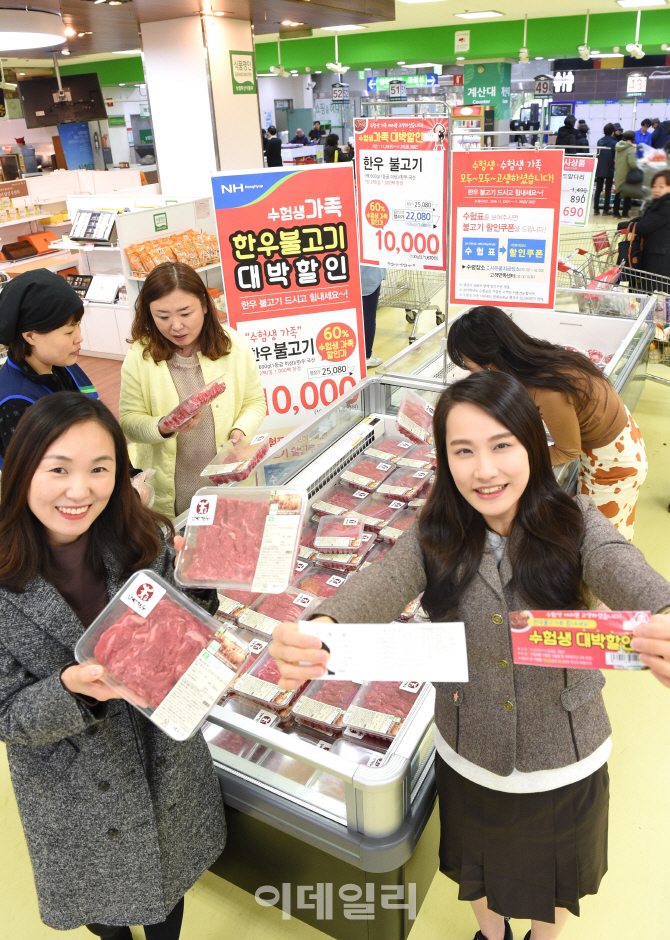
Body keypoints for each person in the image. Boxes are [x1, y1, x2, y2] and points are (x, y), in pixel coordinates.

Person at [270, 371, 670, 940]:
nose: (484, 470)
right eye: (463, 451)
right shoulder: (436, 534)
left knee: (556, 877)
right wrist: (322, 626)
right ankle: (490, 933)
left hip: (565, 753)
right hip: (469, 747)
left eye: (502, 445)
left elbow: (631, 574)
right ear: (445, 459)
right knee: (475, 869)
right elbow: (381, 582)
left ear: (532, 444)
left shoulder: (577, 523)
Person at [0, 392, 225, 940]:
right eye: (59, 469)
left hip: (164, 763)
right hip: (77, 792)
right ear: (23, 470)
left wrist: (208, 577)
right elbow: (7, 714)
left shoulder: (142, 539)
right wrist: (73, 690)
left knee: (168, 895)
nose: (80, 490)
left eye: (100, 469)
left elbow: (187, 626)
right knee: (108, 908)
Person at [446, 305, 648, 540]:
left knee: (603, 538)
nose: (468, 368)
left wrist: (518, 459)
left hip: (614, 465)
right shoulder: (537, 358)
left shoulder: (547, 388)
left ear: (488, 357)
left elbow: (568, 449)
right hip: (618, 443)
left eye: (468, 363)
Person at [119, 262, 265, 517]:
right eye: (162, 316)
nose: (175, 326)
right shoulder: (140, 356)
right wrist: (162, 427)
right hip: (169, 488)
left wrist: (240, 430)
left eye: (186, 313)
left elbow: (255, 402)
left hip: (224, 480)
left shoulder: (235, 346)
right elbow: (129, 421)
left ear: (206, 306)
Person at [0, 268, 98, 463]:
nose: (79, 338)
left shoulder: (64, 365)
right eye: (69, 332)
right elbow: (37, 479)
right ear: (30, 336)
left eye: (78, 325)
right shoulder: (15, 403)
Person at [628, 170, 670, 286]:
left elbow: (644, 227)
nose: (656, 189)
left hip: (659, 258)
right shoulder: (660, 203)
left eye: (662, 186)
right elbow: (645, 219)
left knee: (653, 292)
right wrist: (630, 223)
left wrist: (626, 226)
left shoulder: (666, 205)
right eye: (654, 186)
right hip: (654, 254)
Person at [360, 264, 386, 368]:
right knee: (368, 315)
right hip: (369, 277)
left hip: (346, 275)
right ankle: (367, 357)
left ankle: (352, 354)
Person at [613, 130, 638, 219]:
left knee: (618, 193)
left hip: (619, 172)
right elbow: (632, 163)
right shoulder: (630, 148)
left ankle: (615, 213)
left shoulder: (618, 146)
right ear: (632, 139)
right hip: (627, 173)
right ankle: (625, 213)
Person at [593, 123, 616, 215]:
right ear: (612, 132)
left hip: (600, 167)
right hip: (609, 167)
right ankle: (606, 210)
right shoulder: (614, 143)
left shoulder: (599, 141)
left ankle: (596, 209)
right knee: (607, 189)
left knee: (598, 189)